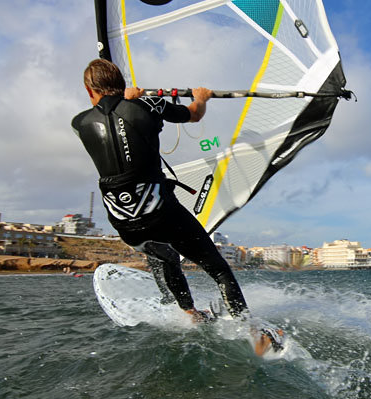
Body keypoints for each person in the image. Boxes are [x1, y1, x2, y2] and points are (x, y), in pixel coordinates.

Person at [72, 58, 261, 333]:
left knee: (166, 257)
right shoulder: (148, 105)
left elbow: (110, 119)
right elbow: (194, 114)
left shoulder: (78, 123)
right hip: (161, 213)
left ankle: (190, 313)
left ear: (89, 91)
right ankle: (252, 332)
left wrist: (126, 100)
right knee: (218, 269)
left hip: (125, 225)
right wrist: (201, 97)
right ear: (123, 84)